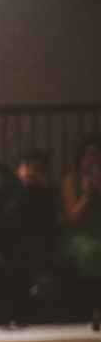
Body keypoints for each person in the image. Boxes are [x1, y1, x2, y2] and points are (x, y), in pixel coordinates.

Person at [0, 149, 60, 295]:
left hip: (29, 245)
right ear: (18, 170)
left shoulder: (45, 197)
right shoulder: (6, 192)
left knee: (40, 244)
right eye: (27, 166)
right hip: (4, 242)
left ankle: (42, 281)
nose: (32, 171)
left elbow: (50, 227)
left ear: (42, 174)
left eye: (37, 168)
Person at [61, 134, 101, 313]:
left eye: (94, 154)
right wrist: (86, 194)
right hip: (80, 235)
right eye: (84, 156)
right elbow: (73, 221)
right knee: (93, 251)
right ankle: (91, 307)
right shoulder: (70, 181)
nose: (88, 160)